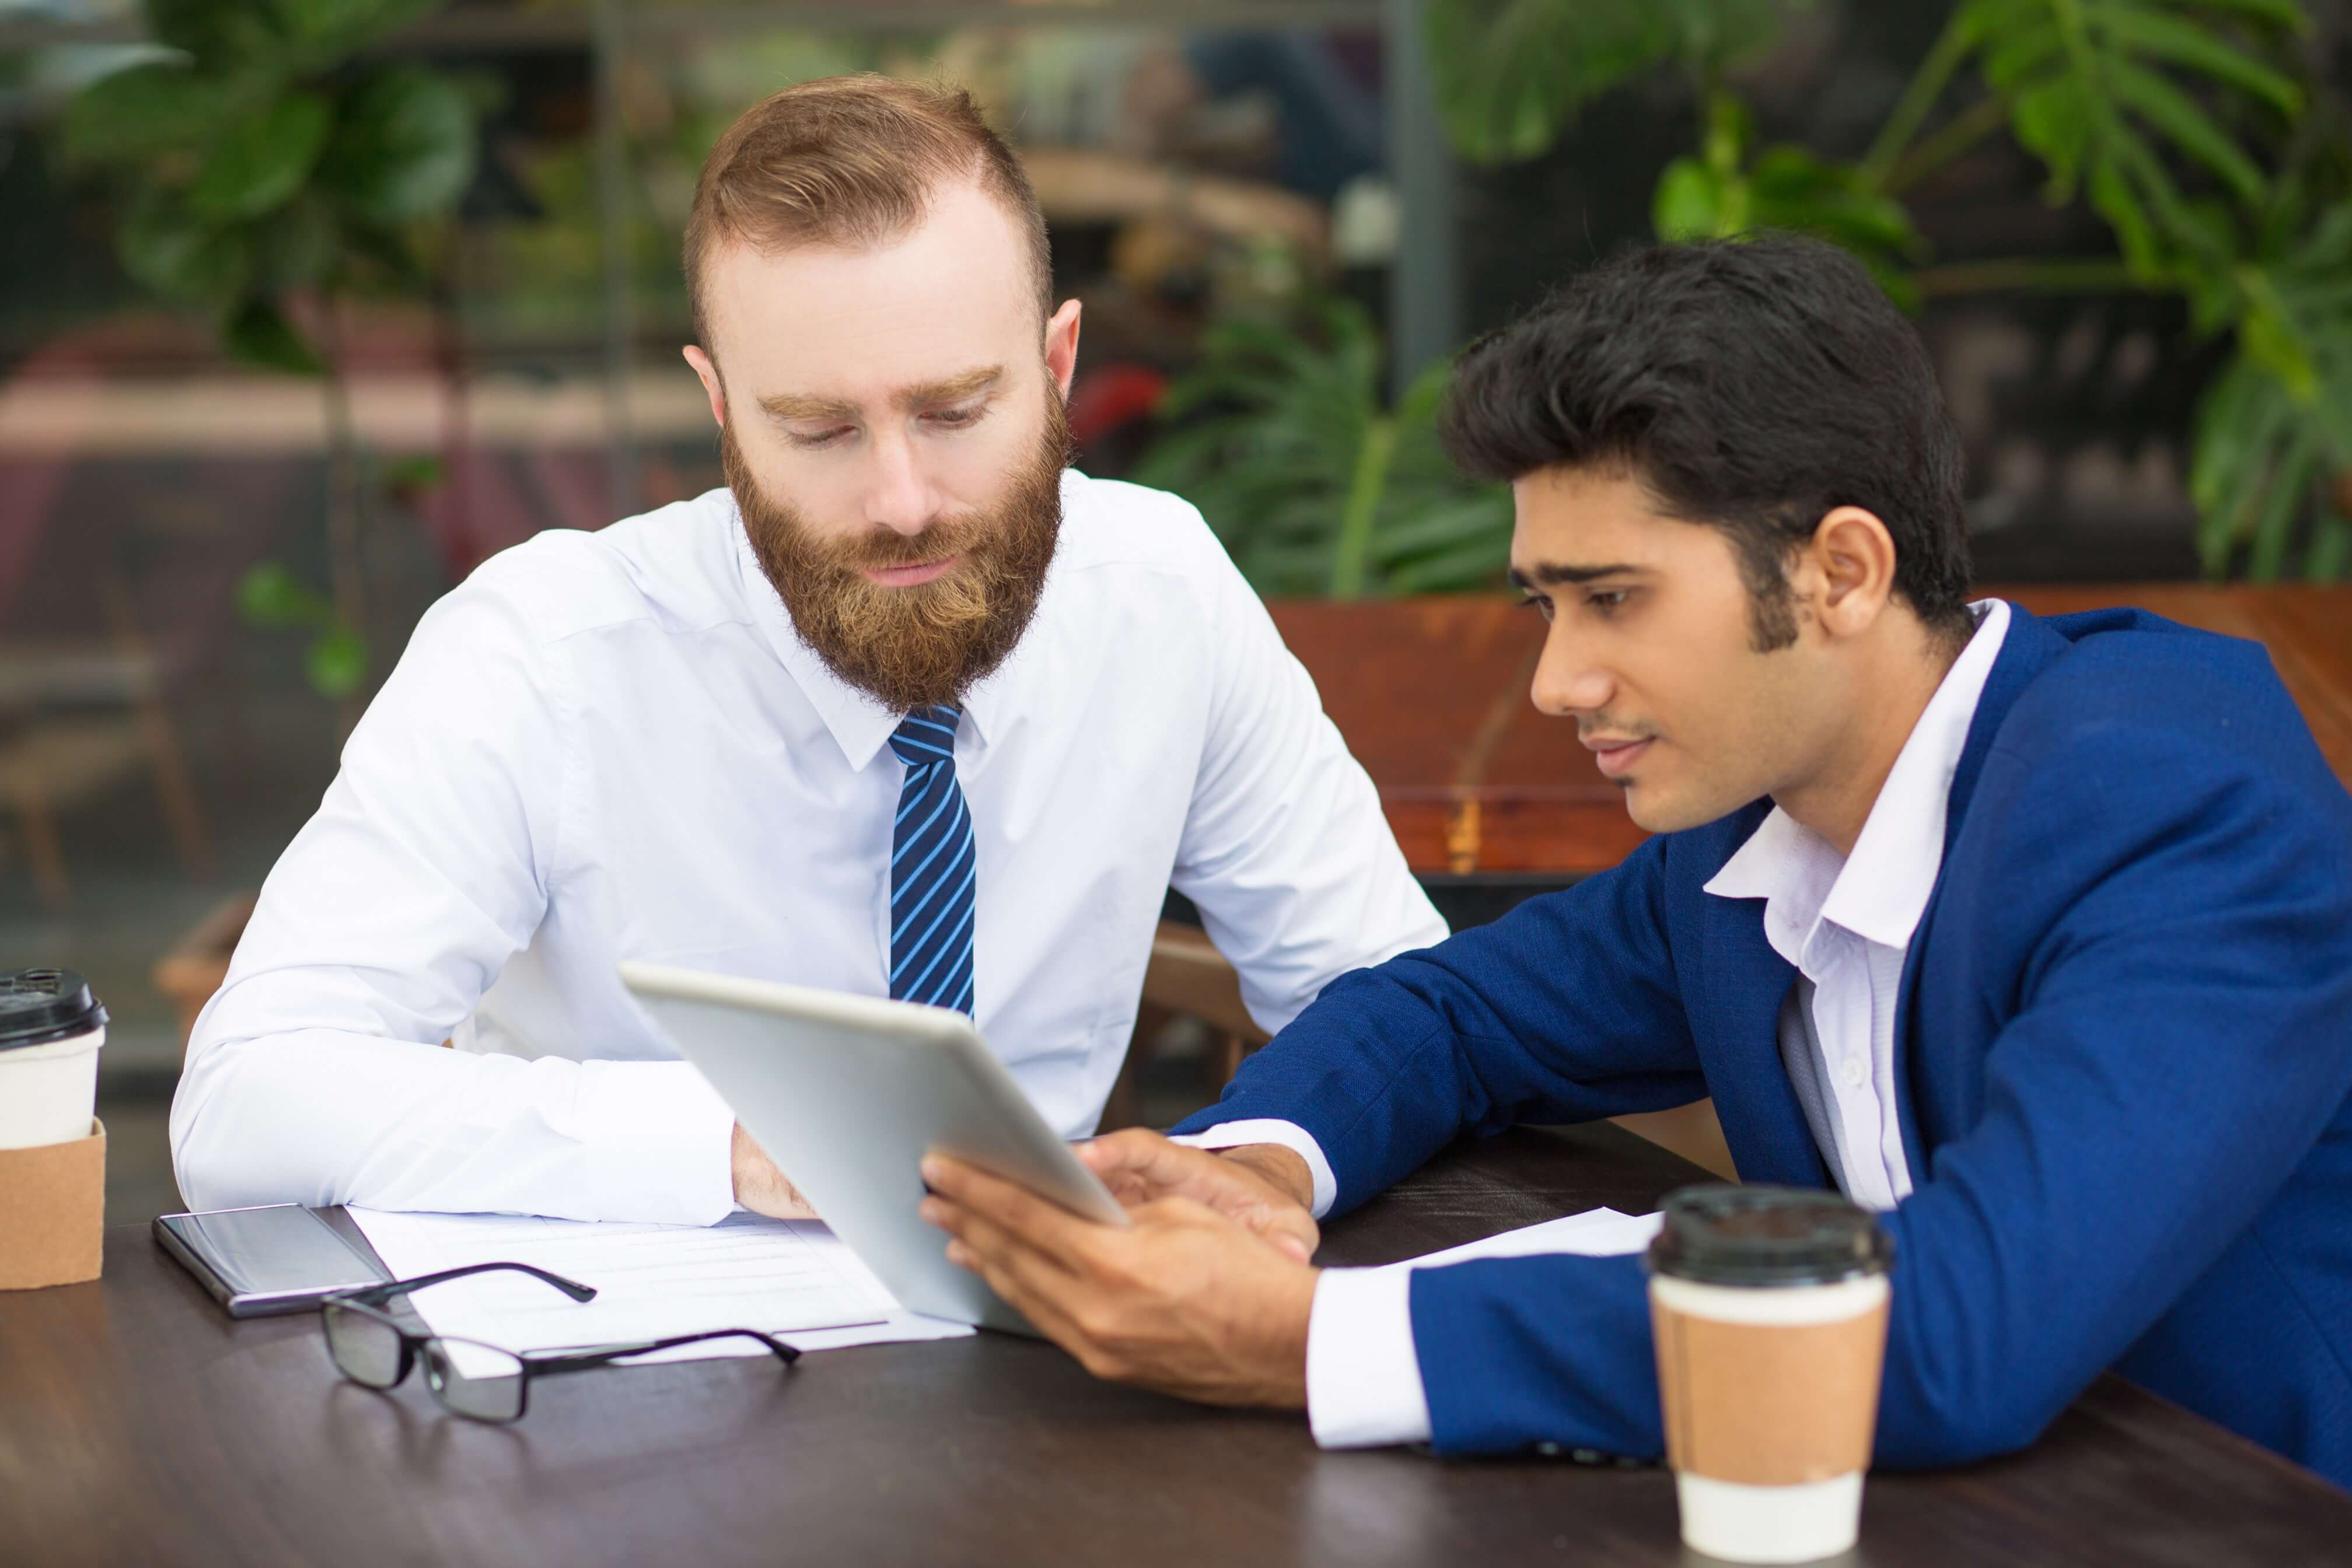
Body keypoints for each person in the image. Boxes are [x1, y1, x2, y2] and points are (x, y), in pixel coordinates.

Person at [920, 235, 2352, 1488]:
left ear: (1840, 573)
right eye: (1546, 601)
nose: (1556, 680)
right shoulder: (1752, 832)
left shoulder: (2176, 815)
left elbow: (1965, 1333)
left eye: (1614, 600)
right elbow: (1448, 1012)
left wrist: (1309, 1339)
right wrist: (1258, 1169)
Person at [169, 75, 1444, 1223]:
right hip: (623, 1394)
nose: (901, 500)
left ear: (1058, 367)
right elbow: (245, 1101)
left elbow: (1408, 1010)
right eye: (818, 430)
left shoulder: (1160, 597)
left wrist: (1259, 1161)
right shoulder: (545, 654)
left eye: (954, 412)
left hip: (1042, 1372)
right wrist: (729, 1145)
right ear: (721, 410)